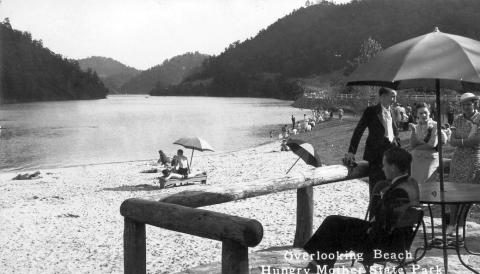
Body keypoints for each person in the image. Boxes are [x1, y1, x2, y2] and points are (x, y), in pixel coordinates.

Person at [304, 147, 419, 271]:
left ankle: (317, 263)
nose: (382, 168)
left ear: (393, 167)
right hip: (396, 240)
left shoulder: (399, 191)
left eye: (384, 165)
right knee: (334, 223)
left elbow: (384, 225)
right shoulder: (411, 183)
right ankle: (320, 264)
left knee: (333, 226)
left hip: (382, 245)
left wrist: (368, 228)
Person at [344, 87, 400, 196]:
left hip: (391, 156)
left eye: (395, 97)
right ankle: (374, 212)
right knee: (376, 190)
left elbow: (395, 132)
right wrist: (352, 151)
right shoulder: (371, 111)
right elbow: (359, 130)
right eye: (392, 96)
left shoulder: (393, 111)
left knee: (390, 189)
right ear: (383, 96)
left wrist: (397, 146)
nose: (395, 99)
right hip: (376, 156)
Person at [448, 92, 480, 235]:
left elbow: (477, 141)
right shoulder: (457, 119)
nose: (466, 107)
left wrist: (460, 142)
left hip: (473, 159)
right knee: (454, 191)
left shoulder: (479, 118)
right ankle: (452, 223)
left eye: (469, 104)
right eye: (463, 104)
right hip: (458, 159)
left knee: (466, 192)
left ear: (474, 104)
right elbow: (451, 141)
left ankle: (461, 224)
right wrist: (465, 142)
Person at [409, 103, 446, 184]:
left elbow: (432, 144)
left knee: (428, 184)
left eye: (425, 112)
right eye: (421, 113)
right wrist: (413, 132)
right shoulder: (416, 126)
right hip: (416, 159)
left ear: (429, 113)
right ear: (417, 115)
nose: (424, 115)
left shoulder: (435, 125)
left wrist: (416, 148)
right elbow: (412, 144)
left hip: (429, 158)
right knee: (416, 184)